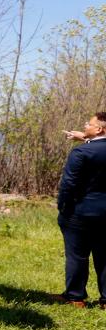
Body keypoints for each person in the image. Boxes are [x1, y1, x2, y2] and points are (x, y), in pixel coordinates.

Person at [50, 112, 106, 308]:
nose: (85, 125)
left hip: (80, 212)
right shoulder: (89, 147)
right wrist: (85, 137)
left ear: (99, 128)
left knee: (77, 255)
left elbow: (69, 184)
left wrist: (63, 206)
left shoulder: (81, 153)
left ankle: (75, 297)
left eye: (88, 124)